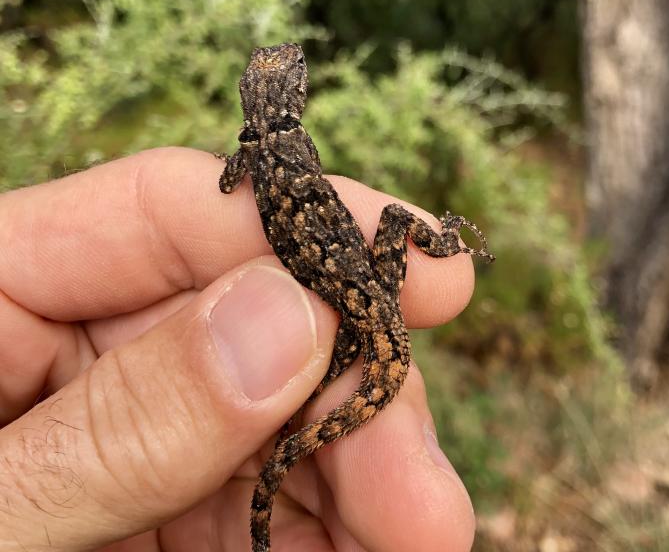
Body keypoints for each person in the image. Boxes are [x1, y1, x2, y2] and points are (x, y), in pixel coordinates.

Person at [0, 148, 477, 551]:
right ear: (297, 95)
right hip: (369, 293)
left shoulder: (251, 153)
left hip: (351, 300)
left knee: (323, 383)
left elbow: (228, 184)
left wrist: (231, 160)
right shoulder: (299, 147)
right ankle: (445, 242)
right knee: (394, 218)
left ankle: (289, 445)